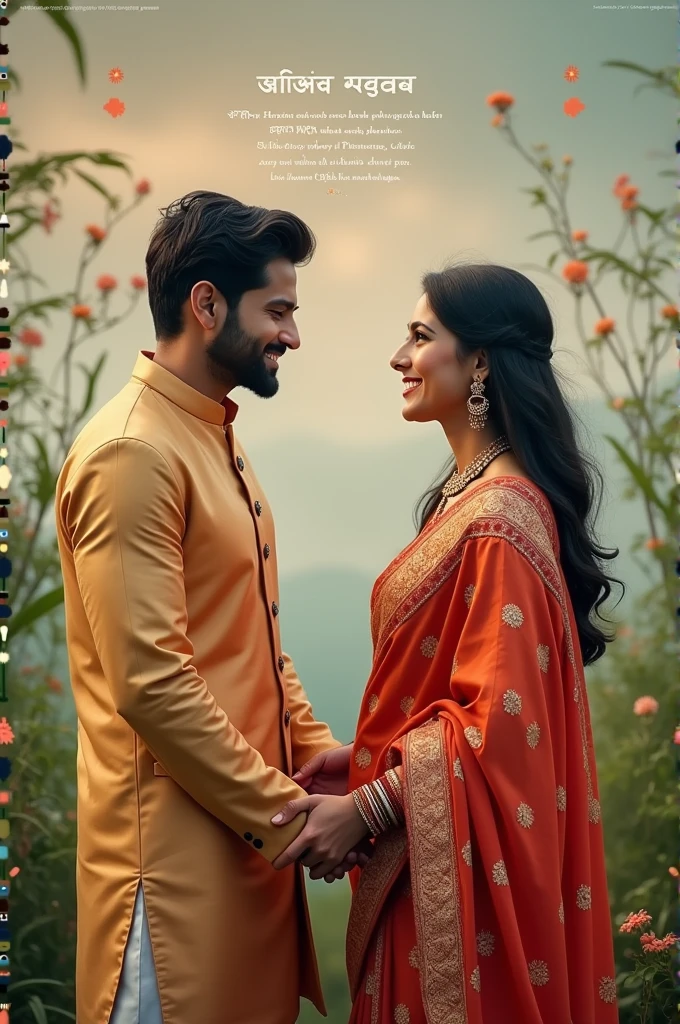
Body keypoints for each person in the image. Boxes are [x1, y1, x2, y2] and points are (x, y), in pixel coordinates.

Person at [272, 263, 621, 1023]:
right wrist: (362, 762)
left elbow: (495, 727)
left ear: (482, 361)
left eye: (421, 336)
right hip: (429, 851)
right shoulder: (469, 501)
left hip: (457, 892)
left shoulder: (500, 518)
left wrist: (368, 806)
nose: (400, 357)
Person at [54, 190, 364, 1024]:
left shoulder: (211, 439)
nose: (292, 335)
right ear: (205, 304)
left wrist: (317, 750)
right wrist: (293, 816)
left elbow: (257, 638)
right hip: (174, 890)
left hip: (244, 859)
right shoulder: (134, 452)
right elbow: (152, 682)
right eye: (279, 310)